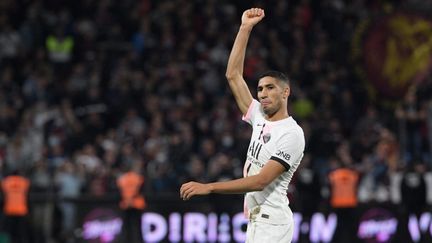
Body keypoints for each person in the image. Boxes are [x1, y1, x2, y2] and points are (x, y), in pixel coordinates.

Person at [180, 8, 305, 243]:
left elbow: (260, 182)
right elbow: (233, 75)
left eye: (270, 88)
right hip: (258, 221)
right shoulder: (259, 116)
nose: (263, 94)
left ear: (286, 92)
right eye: (260, 89)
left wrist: (209, 187)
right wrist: (245, 29)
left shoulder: (292, 134)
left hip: (273, 223)